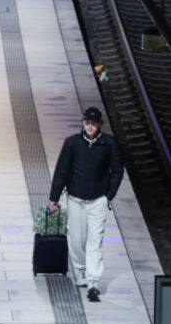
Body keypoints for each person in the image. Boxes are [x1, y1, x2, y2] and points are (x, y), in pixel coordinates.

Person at [47, 107, 124, 301]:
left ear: (99, 125)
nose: (90, 126)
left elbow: (117, 170)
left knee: (95, 240)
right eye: (87, 123)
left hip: (98, 200)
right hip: (75, 199)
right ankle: (81, 271)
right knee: (77, 239)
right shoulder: (72, 144)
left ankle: (93, 281)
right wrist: (54, 199)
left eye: (94, 123)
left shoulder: (109, 144)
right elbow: (61, 171)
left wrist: (108, 196)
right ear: (83, 123)